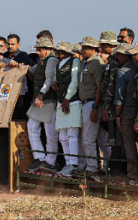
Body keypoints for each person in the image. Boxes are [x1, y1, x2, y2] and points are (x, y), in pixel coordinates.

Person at [71, 36, 105, 182]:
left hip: (91, 103)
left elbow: (99, 87)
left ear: (93, 49)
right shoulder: (85, 62)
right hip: (84, 103)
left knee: (88, 138)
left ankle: (92, 169)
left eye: (85, 48)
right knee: (87, 137)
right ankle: (90, 167)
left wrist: (95, 107)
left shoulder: (96, 63)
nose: (82, 50)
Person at [25, 38, 59, 173]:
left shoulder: (52, 60)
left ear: (49, 49)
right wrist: (21, 67)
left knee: (50, 133)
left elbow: (49, 79)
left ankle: (51, 161)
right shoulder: (42, 61)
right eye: (37, 50)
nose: (38, 52)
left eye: (40, 50)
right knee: (32, 127)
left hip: (47, 100)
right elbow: (31, 71)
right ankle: (40, 158)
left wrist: (41, 94)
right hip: (40, 101)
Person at [51, 42, 82, 177]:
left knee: (72, 134)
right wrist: (54, 84)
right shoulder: (59, 64)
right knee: (62, 136)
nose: (59, 54)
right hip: (61, 101)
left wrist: (68, 98)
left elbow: (74, 81)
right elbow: (54, 77)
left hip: (72, 102)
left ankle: (74, 164)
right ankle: (68, 163)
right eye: (58, 52)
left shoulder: (74, 61)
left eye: (61, 52)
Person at [97, 31, 124, 177]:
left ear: (109, 45)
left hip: (115, 108)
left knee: (116, 141)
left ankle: (116, 172)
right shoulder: (112, 59)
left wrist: (107, 107)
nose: (100, 47)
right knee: (113, 140)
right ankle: (113, 170)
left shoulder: (116, 60)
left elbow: (113, 86)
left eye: (102, 44)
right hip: (112, 107)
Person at [114, 43, 138, 186]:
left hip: (128, 113)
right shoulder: (137, 68)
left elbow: (119, 99)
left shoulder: (122, 72)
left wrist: (118, 116)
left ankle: (133, 176)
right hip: (136, 111)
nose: (116, 57)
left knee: (129, 145)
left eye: (118, 54)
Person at [3, 33, 33, 120]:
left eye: (12, 44)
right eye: (8, 44)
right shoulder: (4, 56)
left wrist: (19, 66)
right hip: (6, 92)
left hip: (20, 92)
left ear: (18, 45)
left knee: (19, 118)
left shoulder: (23, 56)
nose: (10, 46)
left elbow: (29, 71)